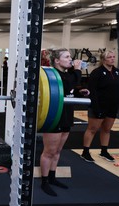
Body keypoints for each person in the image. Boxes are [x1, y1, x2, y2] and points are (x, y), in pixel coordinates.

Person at [39, 48, 90, 197]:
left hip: (66, 116)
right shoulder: (55, 75)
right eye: (67, 57)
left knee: (58, 151)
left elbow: (69, 90)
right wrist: (78, 70)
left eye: (70, 57)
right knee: (49, 152)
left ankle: (53, 177)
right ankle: (44, 181)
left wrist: (80, 92)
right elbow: (68, 84)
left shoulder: (67, 76)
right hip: (54, 117)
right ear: (57, 61)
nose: (70, 59)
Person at [81, 50, 119, 163]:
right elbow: (91, 91)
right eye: (110, 57)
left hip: (112, 107)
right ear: (103, 59)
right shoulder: (97, 72)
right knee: (92, 129)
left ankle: (104, 151)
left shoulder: (117, 72)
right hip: (99, 106)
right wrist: (96, 107)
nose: (113, 59)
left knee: (107, 129)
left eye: (113, 57)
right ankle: (85, 152)